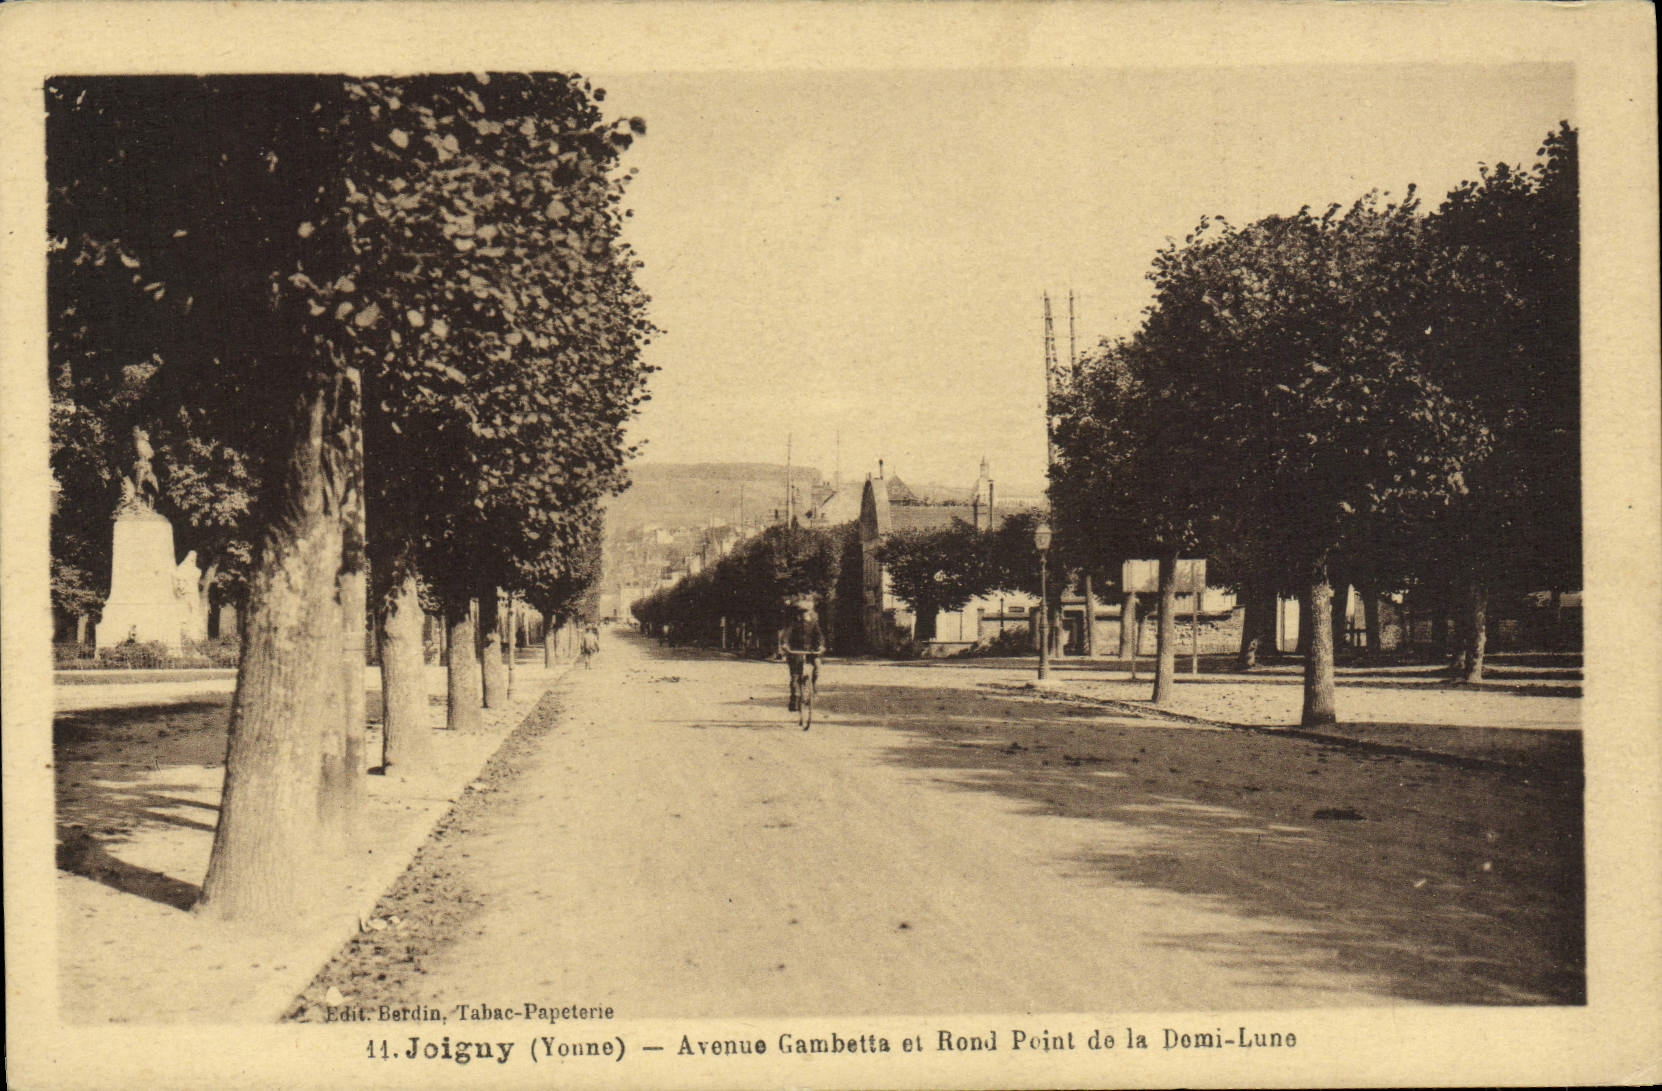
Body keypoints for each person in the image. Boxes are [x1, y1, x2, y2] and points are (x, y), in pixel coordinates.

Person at [777, 600, 826, 712]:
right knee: (795, 676)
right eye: (801, 613)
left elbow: (819, 636)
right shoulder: (793, 624)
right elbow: (786, 636)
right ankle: (794, 698)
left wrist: (820, 646)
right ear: (798, 614)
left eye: (805, 612)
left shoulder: (813, 623)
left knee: (817, 666)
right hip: (795, 651)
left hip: (810, 651)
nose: (803, 615)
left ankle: (813, 687)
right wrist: (784, 645)